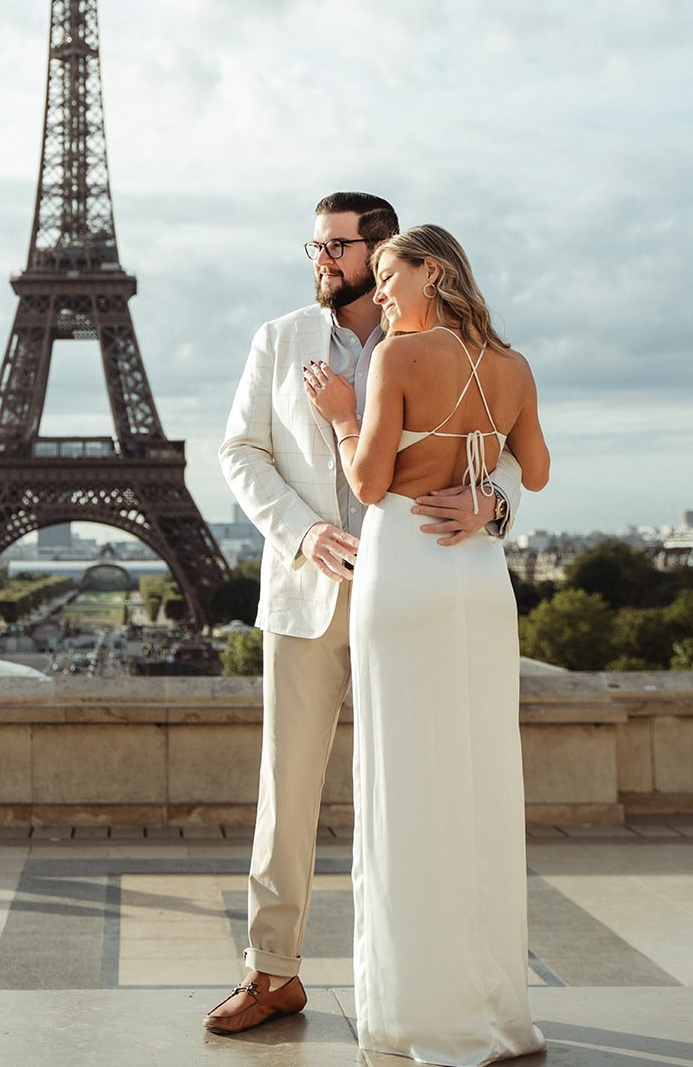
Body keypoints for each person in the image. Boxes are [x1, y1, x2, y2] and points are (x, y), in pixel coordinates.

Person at [206, 195, 524, 1036]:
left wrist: (490, 503)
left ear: (387, 252)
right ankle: (271, 971)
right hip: (314, 588)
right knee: (289, 785)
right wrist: (303, 531)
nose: (321, 260)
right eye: (314, 245)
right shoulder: (280, 340)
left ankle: (429, 978)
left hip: (414, 587)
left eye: (339, 246)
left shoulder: (447, 344)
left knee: (421, 785)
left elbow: (510, 452)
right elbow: (239, 450)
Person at [304, 223, 549, 1064]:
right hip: (478, 580)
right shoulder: (513, 367)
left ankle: (418, 1011)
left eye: (385, 271)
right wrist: (486, 501)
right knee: (479, 779)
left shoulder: (396, 360)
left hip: (405, 569)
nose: (375, 290)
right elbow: (536, 472)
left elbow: (369, 484)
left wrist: (341, 415)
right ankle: (490, 1006)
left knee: (404, 783)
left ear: (429, 271)